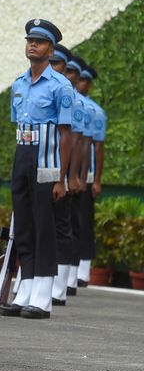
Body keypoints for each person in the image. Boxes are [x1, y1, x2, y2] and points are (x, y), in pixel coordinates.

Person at [0, 19, 72, 319]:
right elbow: (20, 128)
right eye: (29, 39)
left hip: (47, 161)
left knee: (44, 227)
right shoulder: (18, 83)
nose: (32, 44)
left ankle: (43, 295)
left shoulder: (61, 86)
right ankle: (24, 288)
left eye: (39, 42)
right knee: (24, 225)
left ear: (51, 49)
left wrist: (61, 178)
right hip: (23, 155)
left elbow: (66, 134)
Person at [47, 44, 83, 305]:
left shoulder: (73, 99)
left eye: (60, 65)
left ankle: (60, 286)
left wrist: (70, 176)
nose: (55, 69)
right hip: (40, 168)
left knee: (62, 227)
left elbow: (76, 142)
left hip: (62, 171)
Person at [75, 65, 105, 287]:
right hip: (68, 170)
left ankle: (83, 269)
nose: (81, 82)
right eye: (79, 78)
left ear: (90, 83)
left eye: (86, 79)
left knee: (83, 221)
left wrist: (96, 180)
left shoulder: (95, 111)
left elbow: (98, 148)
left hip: (86, 173)